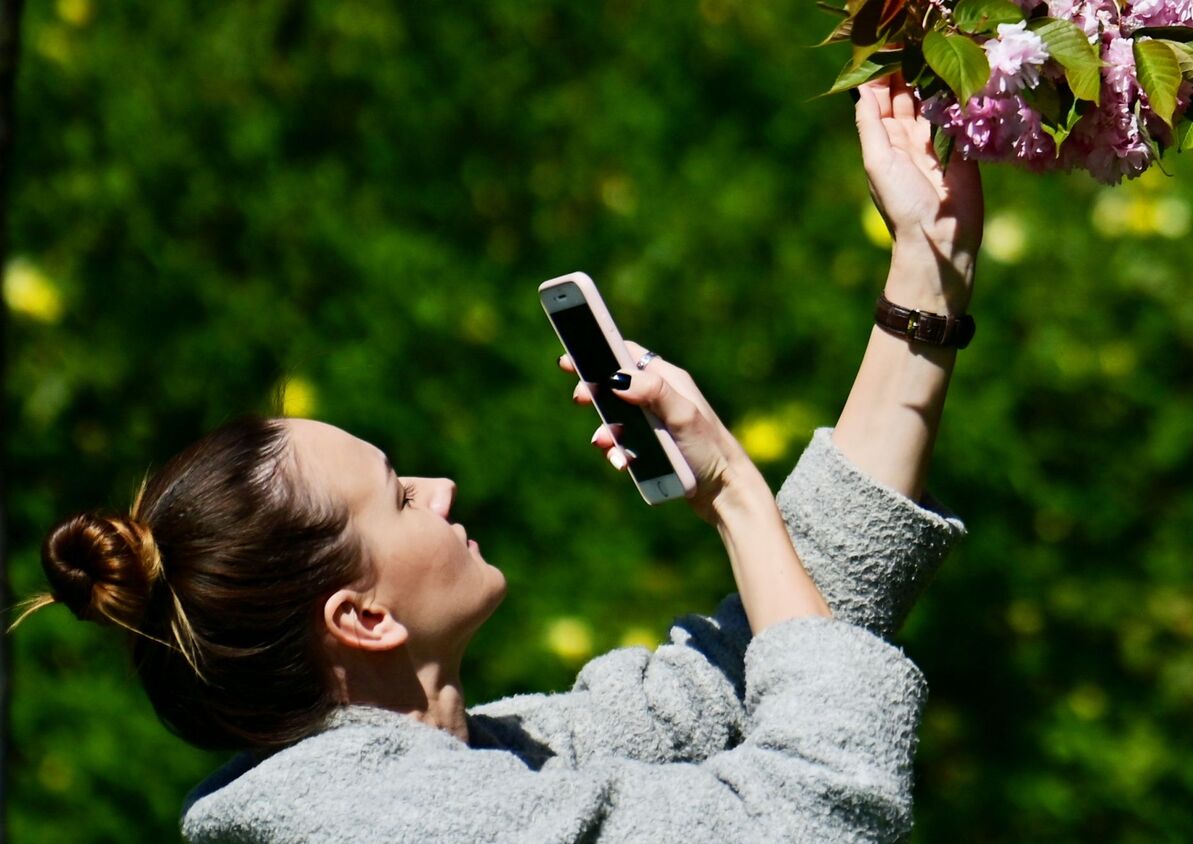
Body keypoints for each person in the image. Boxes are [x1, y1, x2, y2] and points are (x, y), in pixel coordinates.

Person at [13, 74, 982, 843]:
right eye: (397, 496)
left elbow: (752, 671)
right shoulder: (404, 830)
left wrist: (923, 280)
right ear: (360, 616)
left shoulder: (488, 764)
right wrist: (730, 492)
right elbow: (817, 812)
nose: (440, 489)